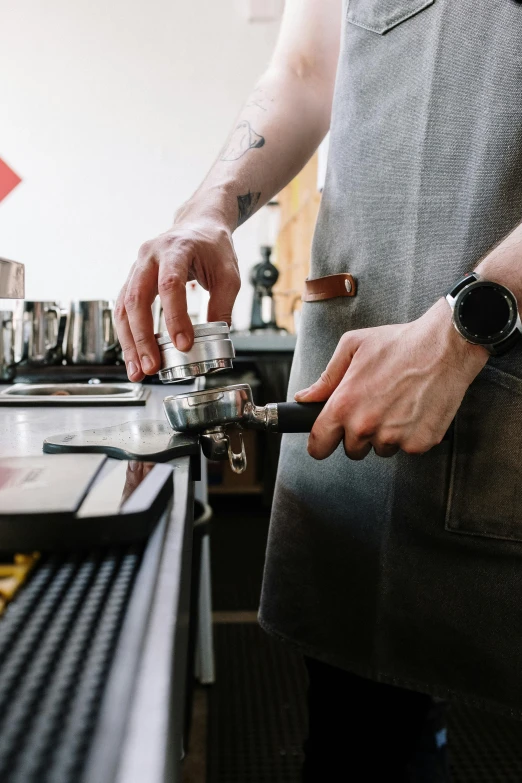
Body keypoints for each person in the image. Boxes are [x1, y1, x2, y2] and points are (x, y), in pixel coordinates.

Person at [115, 0, 522, 779]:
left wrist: (467, 325)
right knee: (360, 734)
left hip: (500, 377)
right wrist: (207, 210)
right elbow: (304, 71)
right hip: (356, 430)